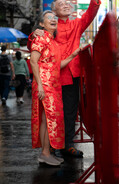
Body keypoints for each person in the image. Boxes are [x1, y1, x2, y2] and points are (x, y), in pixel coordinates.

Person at [27, 0, 101, 157]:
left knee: (69, 112)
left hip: (72, 73)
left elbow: (90, 14)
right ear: (54, 11)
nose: (65, 5)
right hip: (52, 75)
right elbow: (35, 44)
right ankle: (52, 146)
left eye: (67, 3)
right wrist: (33, 34)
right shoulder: (50, 25)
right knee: (52, 114)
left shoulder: (76, 24)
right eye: (61, 4)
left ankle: (67, 145)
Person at [30, 10, 80, 166]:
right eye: (49, 18)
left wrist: (72, 56)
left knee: (48, 120)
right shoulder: (40, 37)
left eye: (54, 18)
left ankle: (46, 153)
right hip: (44, 85)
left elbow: (57, 66)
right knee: (46, 120)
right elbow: (33, 61)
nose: (53, 19)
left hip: (54, 86)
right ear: (41, 24)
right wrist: (40, 85)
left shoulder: (53, 42)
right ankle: (45, 153)